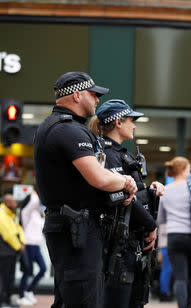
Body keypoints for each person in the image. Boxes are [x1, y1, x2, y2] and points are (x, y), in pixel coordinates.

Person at [33, 71, 138, 308]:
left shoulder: (60, 126)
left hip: (72, 226)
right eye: (93, 94)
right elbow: (98, 178)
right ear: (77, 95)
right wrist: (125, 182)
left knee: (70, 299)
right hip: (75, 228)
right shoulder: (67, 129)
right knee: (84, 300)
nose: (97, 100)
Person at [89, 99, 164, 308]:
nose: (134, 125)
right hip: (118, 244)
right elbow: (123, 199)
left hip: (129, 241)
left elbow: (133, 195)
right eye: (131, 120)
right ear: (118, 122)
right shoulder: (109, 155)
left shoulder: (121, 154)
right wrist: (151, 225)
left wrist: (150, 191)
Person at [156, 156, 191, 308]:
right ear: (183, 170)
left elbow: (160, 219)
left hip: (174, 237)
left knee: (180, 277)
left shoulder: (166, 190)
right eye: (188, 169)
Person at [17, 190, 47, 306]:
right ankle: (21, 295)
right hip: (28, 244)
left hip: (36, 245)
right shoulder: (25, 213)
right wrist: (33, 193)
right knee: (27, 271)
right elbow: (33, 202)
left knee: (43, 269)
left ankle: (29, 290)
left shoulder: (37, 214)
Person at [0, 193, 25, 308]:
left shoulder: (10, 214)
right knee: (5, 278)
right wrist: (18, 246)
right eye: (14, 201)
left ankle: (8, 300)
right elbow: (7, 234)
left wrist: (22, 242)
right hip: (4, 252)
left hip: (10, 252)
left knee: (10, 277)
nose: (16, 204)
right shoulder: (2, 213)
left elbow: (18, 228)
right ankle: (3, 301)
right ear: (7, 202)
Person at [157, 224, 173, 302]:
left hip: (166, 245)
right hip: (166, 245)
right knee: (167, 270)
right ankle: (164, 293)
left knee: (167, 270)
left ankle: (165, 292)